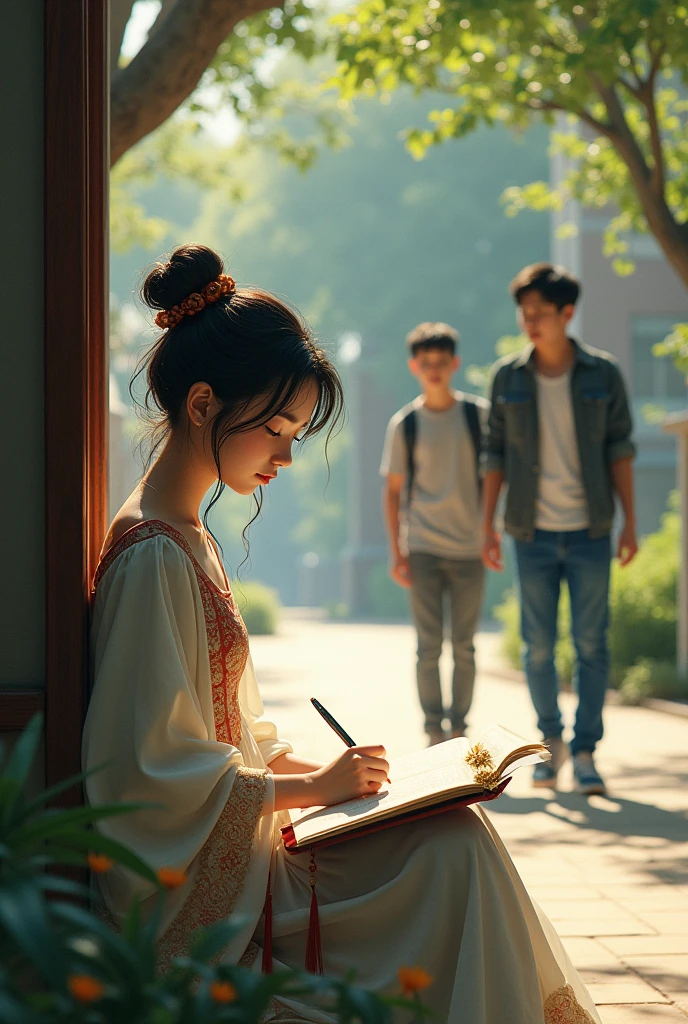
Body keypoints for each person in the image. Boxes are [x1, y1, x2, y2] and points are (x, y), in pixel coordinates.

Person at [83, 244, 601, 1023]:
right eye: (278, 430)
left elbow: (233, 740)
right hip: (211, 900)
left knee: (454, 834)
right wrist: (318, 790)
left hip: (247, 848)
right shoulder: (155, 553)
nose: (287, 455)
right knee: (452, 856)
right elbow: (143, 780)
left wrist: (338, 776)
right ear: (201, 405)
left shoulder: (185, 536)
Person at [482, 262, 637, 797]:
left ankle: (588, 750)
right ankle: (552, 745)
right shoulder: (508, 378)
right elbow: (494, 456)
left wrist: (630, 522)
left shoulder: (602, 374)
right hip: (532, 532)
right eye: (524, 312)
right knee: (539, 647)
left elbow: (620, 449)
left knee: (592, 644)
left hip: (592, 528)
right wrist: (487, 526)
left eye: (539, 312)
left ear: (567, 313)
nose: (529, 321)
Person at [380, 323, 488, 746]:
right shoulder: (405, 424)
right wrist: (397, 552)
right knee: (429, 646)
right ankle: (433, 731)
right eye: (427, 364)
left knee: (464, 645)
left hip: (470, 548)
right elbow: (393, 493)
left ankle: (459, 728)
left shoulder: (477, 416)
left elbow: (497, 478)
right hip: (422, 547)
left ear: (454, 364)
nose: (435, 370)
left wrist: (491, 534)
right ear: (415, 367)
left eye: (442, 363)